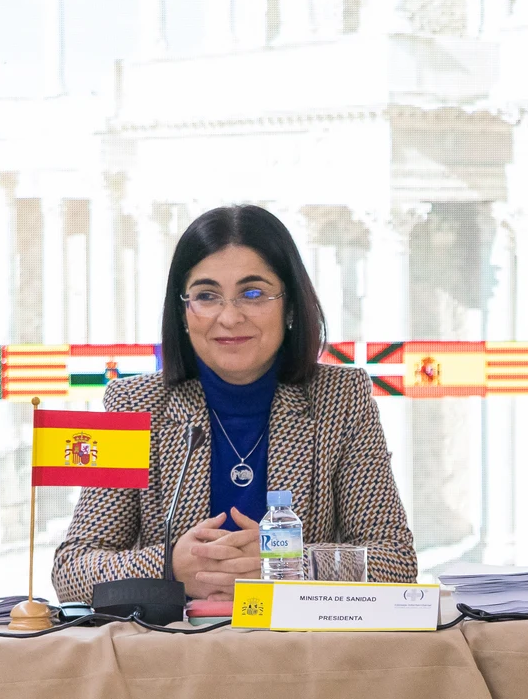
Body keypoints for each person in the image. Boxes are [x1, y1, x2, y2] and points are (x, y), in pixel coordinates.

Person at [53, 205, 416, 603]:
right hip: (173, 653)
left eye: (253, 293)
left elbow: (396, 562)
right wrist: (169, 568)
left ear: (290, 305)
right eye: (207, 296)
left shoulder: (341, 398)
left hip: (298, 653)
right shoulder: (133, 405)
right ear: (183, 312)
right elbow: (72, 570)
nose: (229, 317)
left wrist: (286, 563)